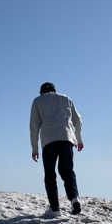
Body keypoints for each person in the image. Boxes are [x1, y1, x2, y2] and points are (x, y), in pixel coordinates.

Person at [30, 82, 83, 216]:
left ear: (41, 92)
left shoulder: (37, 101)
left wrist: (34, 148)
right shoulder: (66, 98)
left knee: (50, 175)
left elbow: (34, 126)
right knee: (67, 171)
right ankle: (74, 199)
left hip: (49, 141)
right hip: (67, 138)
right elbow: (78, 120)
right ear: (54, 90)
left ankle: (55, 209)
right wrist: (79, 138)